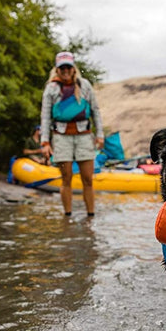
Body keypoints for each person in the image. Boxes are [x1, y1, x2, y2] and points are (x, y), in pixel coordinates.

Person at [40, 51, 104, 217]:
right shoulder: (51, 88)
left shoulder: (84, 85)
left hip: (84, 135)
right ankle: (67, 215)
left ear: (73, 68)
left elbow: (95, 111)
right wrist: (45, 142)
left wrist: (100, 135)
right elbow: (45, 116)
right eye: (62, 67)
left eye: (68, 67)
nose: (66, 70)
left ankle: (90, 216)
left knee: (87, 179)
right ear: (57, 69)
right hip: (61, 137)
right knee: (66, 178)